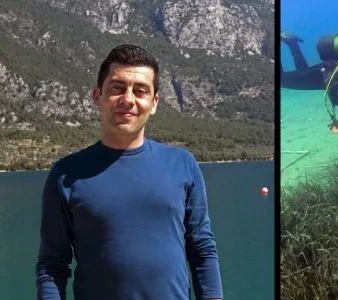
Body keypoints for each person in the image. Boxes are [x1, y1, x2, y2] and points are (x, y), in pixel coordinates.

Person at [35, 44, 224, 300]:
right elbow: (52, 264)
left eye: (141, 91)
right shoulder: (66, 174)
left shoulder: (183, 164)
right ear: (97, 96)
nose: (128, 99)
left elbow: (201, 250)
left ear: (154, 103)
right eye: (117, 88)